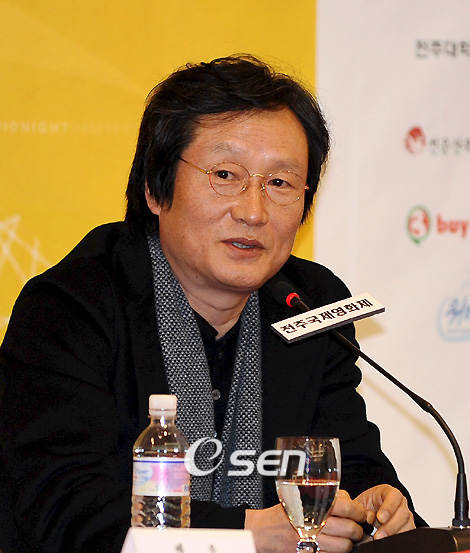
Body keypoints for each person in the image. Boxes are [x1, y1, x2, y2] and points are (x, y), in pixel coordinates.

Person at [0, 54, 421, 553]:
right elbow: (65, 509)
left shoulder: (311, 305)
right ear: (155, 188)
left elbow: (347, 460)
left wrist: (376, 507)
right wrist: (245, 536)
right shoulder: (70, 308)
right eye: (225, 174)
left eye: (280, 183)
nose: (253, 211)